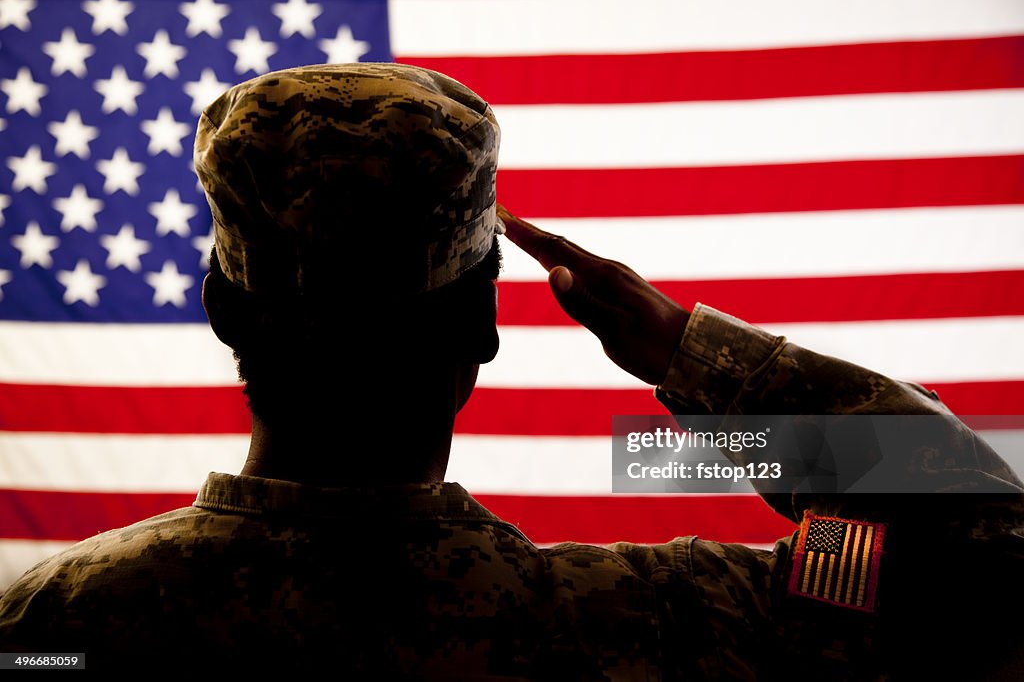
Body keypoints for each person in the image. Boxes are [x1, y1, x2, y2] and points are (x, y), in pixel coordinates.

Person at [0, 63, 1022, 678]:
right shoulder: (652, 615)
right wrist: (694, 353)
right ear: (484, 326)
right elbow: (985, 559)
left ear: (222, 308)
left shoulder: (52, 626)